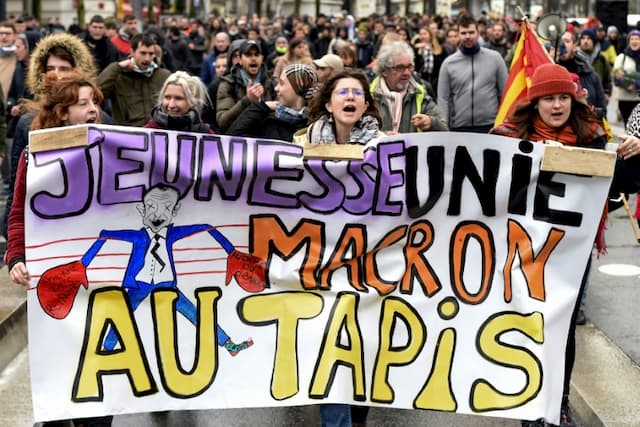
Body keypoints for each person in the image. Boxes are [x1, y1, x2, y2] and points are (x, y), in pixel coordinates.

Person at [491, 63, 608, 427]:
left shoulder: (592, 136)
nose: (557, 106)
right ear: (535, 102)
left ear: (572, 100)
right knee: (529, 323)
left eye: (563, 98)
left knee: (563, 327)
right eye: (548, 98)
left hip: (572, 249)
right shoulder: (508, 136)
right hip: (524, 249)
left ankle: (558, 401)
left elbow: (619, 182)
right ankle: (530, 403)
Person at [6, 70, 114, 427]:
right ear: (63, 113)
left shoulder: (117, 151)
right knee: (58, 381)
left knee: (102, 376)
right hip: (56, 286)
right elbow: (19, 213)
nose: (93, 109)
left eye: (95, 102)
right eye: (83, 104)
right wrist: (16, 258)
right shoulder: (33, 156)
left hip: (103, 284)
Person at [296, 69, 383, 427]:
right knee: (329, 348)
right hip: (320, 261)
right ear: (329, 103)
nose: (350, 98)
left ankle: (357, 416)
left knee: (364, 349)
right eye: (342, 92)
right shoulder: (303, 144)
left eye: (357, 93)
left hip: (369, 262)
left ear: (365, 103)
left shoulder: (386, 147)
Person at [437, 15, 508, 133]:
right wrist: (444, 128)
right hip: (459, 128)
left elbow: (505, 94)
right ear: (458, 35)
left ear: (478, 33)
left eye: (471, 32)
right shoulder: (448, 64)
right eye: (463, 33)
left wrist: (504, 123)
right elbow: (443, 99)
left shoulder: (495, 58)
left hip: (490, 127)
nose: (467, 36)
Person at [370, 40, 447, 134]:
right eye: (400, 68)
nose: (406, 73)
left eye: (409, 67)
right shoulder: (369, 96)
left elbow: (444, 128)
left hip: (412, 148)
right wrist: (382, 137)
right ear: (384, 71)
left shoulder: (420, 93)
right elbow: (356, 131)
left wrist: (431, 122)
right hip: (377, 148)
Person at [97, 33, 171, 126]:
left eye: (151, 54)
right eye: (143, 53)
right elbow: (97, 93)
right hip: (129, 134)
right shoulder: (119, 76)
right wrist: (117, 67)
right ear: (132, 52)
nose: (147, 59)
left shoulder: (163, 75)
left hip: (157, 132)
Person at [227, 63, 316, 140]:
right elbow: (232, 137)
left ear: (298, 86)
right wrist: (262, 106)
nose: (276, 88)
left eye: (281, 83)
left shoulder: (315, 127)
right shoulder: (269, 121)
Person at [216, 39, 274, 132]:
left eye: (256, 54)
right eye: (248, 55)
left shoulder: (271, 82)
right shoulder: (228, 84)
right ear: (239, 60)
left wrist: (264, 105)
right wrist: (247, 100)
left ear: (262, 58)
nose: (253, 58)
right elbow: (222, 122)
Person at [144, 70, 211, 133]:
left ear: (192, 101)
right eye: (167, 97)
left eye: (178, 98)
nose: (171, 105)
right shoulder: (149, 131)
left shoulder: (205, 133)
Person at [612, 29, 640, 126]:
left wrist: (636, 85)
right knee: (628, 126)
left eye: (637, 39)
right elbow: (615, 77)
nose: (634, 41)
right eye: (632, 39)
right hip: (625, 99)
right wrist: (624, 83)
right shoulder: (622, 57)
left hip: (638, 98)